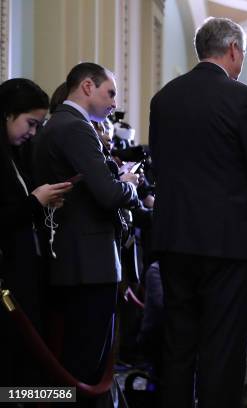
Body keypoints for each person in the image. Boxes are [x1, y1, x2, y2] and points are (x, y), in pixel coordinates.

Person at [148, 17, 247, 408]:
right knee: (222, 346)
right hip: (227, 243)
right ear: (234, 50)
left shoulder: (164, 98)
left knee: (178, 344)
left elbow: (158, 164)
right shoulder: (241, 97)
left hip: (173, 239)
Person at [32, 62, 139, 405]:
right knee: (84, 368)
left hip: (77, 261)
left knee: (79, 363)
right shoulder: (75, 128)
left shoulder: (62, 124)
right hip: (88, 265)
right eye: (110, 93)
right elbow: (108, 193)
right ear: (88, 87)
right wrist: (130, 189)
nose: (113, 103)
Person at [0, 78, 72, 387]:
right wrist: (34, 201)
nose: (32, 132)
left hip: (25, 273)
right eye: (30, 123)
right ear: (7, 114)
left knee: (27, 362)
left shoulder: (17, 153)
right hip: (7, 277)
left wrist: (43, 202)